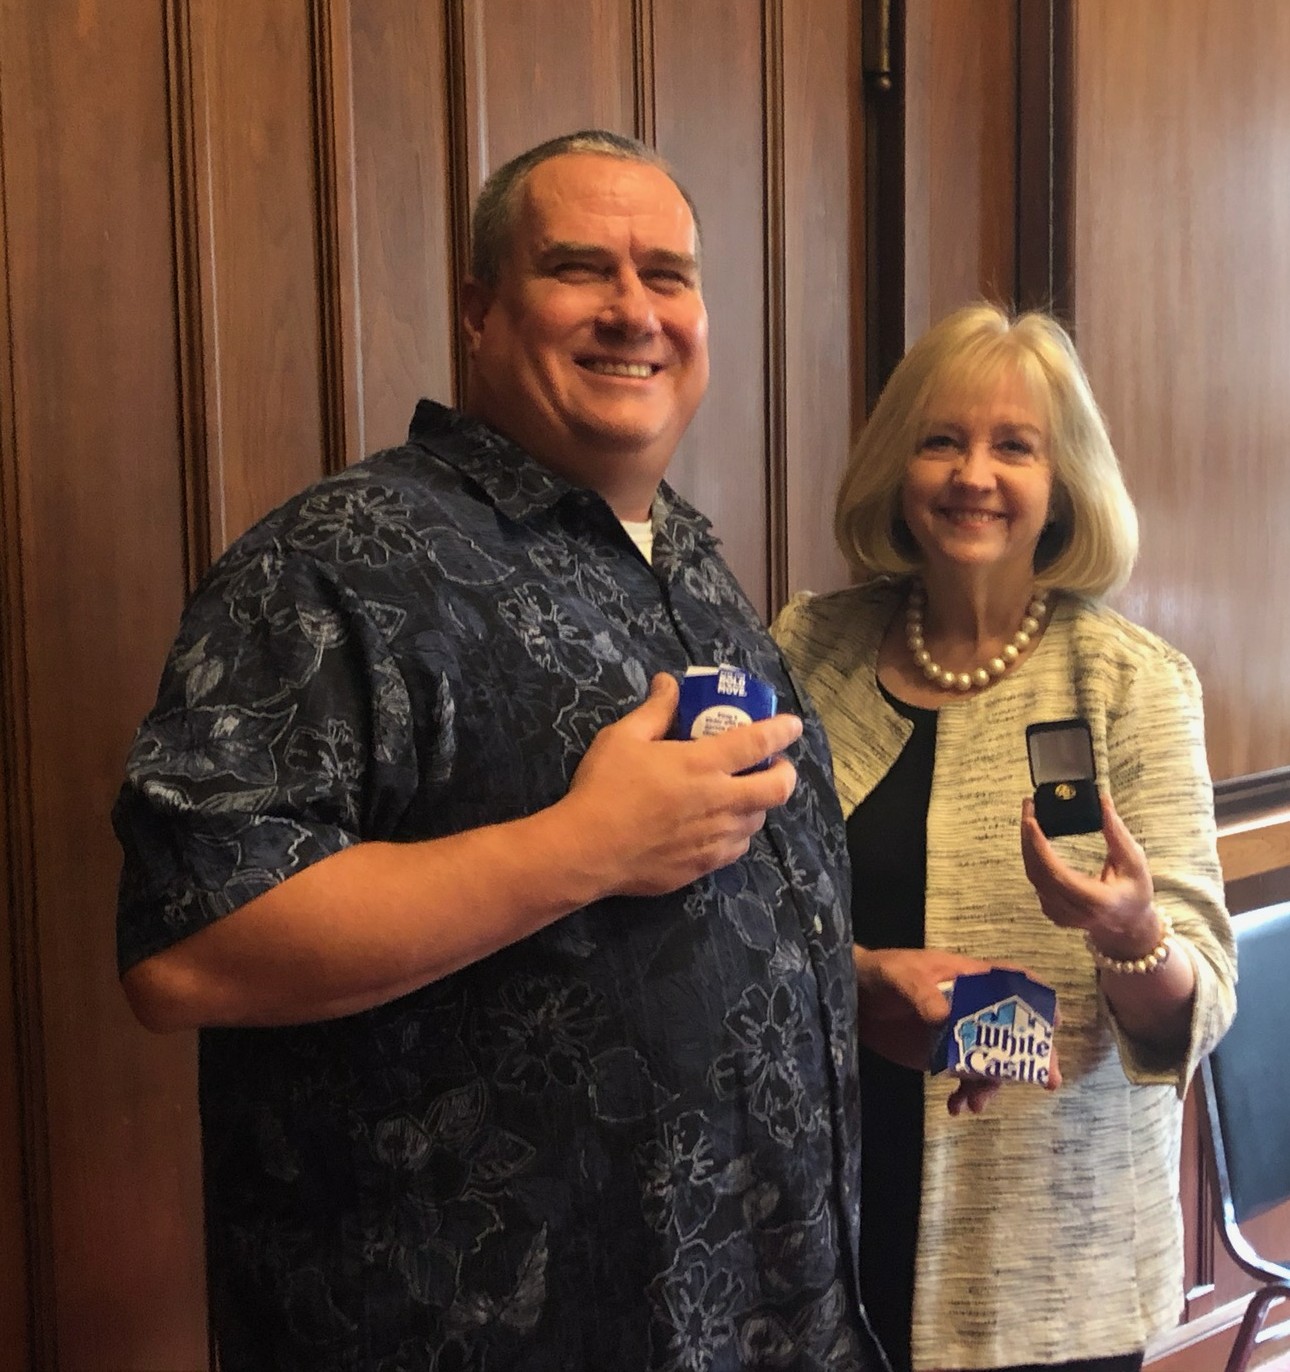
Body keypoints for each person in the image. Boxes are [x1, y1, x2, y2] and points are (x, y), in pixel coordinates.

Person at [116, 128, 951, 1371]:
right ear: (480, 310)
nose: (634, 311)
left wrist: (850, 987)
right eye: (581, 268)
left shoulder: (698, 576)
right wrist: (580, 846)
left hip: (765, 1323)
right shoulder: (337, 562)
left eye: (667, 275)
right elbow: (189, 945)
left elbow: (680, 926)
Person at [772, 303, 1237, 1372]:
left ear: (1061, 484)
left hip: (1047, 1250)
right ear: (898, 465)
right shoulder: (811, 647)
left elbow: (1197, 1000)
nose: (972, 473)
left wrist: (1130, 934)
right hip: (822, 1213)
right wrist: (862, 975)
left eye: (1013, 446)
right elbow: (747, 914)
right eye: (942, 439)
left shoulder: (1131, 683)